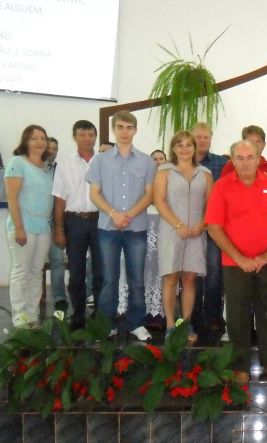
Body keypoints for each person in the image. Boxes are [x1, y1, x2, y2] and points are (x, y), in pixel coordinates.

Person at [205, 140, 267, 384]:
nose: (245, 162)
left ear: (258, 157)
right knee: (237, 316)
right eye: (239, 158)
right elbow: (213, 227)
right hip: (235, 264)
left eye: (249, 157)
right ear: (232, 160)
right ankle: (240, 365)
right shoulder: (222, 187)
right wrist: (240, 258)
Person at [86, 110, 155, 342]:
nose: (125, 132)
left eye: (129, 127)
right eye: (120, 127)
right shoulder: (101, 159)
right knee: (109, 279)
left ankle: (136, 323)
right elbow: (94, 193)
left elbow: (150, 195)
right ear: (114, 130)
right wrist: (114, 214)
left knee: (137, 279)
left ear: (135, 130)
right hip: (108, 227)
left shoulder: (146, 161)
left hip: (136, 228)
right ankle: (107, 324)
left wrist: (129, 215)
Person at [153, 130, 213, 343]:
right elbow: (159, 201)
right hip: (171, 230)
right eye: (180, 145)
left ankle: (185, 324)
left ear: (195, 148)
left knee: (189, 279)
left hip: (197, 232)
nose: (185, 148)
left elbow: (211, 205)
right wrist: (178, 225)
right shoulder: (164, 171)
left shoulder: (205, 173)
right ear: (174, 148)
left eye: (189, 144)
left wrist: (202, 225)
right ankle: (170, 324)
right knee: (171, 277)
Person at [52, 120, 103, 329]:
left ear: (95, 137)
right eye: (82, 134)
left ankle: (100, 315)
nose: (87, 138)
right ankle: (79, 315)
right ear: (75, 137)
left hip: (100, 220)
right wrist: (59, 229)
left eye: (91, 134)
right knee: (76, 272)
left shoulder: (103, 161)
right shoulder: (64, 162)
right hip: (74, 221)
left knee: (101, 271)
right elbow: (59, 199)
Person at [4, 125, 54, 328]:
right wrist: (19, 228)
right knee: (21, 272)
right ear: (26, 141)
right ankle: (20, 319)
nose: (40, 141)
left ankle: (32, 316)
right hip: (23, 225)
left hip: (44, 226)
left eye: (43, 138)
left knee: (36, 272)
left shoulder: (47, 167)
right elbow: (11, 197)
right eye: (34, 138)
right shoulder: (17, 163)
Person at [191, 122, 227, 335]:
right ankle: (194, 317)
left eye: (206, 137)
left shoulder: (222, 163)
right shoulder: (184, 163)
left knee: (214, 274)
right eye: (199, 137)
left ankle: (213, 317)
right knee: (193, 274)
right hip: (191, 227)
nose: (202, 140)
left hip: (214, 228)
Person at [46, 136, 68, 312]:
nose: (52, 151)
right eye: (49, 147)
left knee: (57, 261)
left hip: (56, 222)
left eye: (55, 148)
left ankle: (60, 298)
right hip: (35, 223)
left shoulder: (60, 170)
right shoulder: (32, 168)